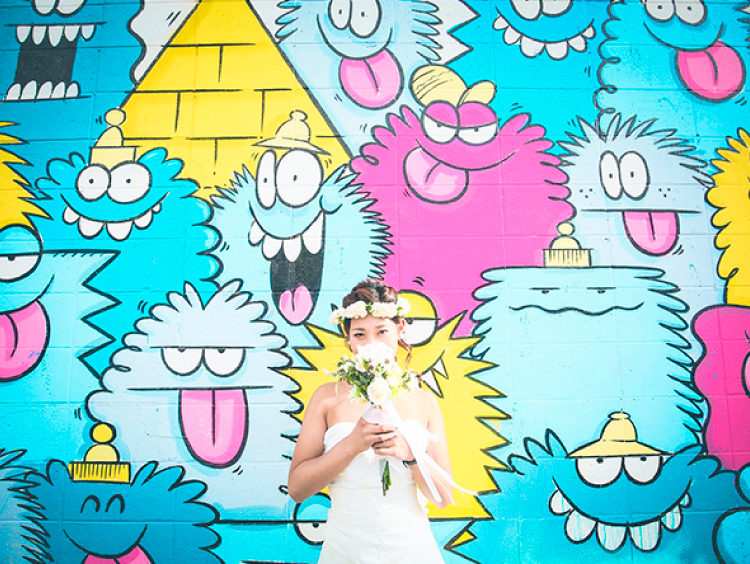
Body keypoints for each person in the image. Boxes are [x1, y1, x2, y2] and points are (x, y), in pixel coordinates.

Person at [288, 279, 454, 563]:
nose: (371, 343)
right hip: (344, 551)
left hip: (412, 551)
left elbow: (443, 498)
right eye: (360, 334)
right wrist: (350, 445)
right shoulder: (326, 398)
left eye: (381, 331)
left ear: (400, 329)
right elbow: (297, 489)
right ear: (349, 339)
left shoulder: (424, 401)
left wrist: (410, 455)